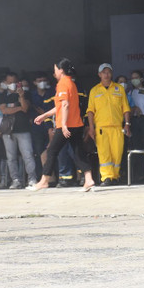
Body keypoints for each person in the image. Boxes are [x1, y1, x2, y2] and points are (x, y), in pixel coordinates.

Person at [29, 59, 96, 191]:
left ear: (61, 70)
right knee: (78, 152)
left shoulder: (63, 84)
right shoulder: (71, 83)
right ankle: (89, 179)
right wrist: (44, 116)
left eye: (55, 69)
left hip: (66, 125)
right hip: (76, 124)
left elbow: (65, 105)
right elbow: (60, 106)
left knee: (52, 151)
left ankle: (44, 180)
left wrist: (64, 125)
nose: (54, 72)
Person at [86, 63, 131, 186]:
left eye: (109, 72)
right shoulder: (94, 90)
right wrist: (91, 128)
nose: (107, 74)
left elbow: (125, 108)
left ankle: (115, 176)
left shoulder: (119, 89)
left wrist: (127, 123)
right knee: (104, 153)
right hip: (101, 128)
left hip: (117, 127)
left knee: (117, 153)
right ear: (99, 74)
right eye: (104, 72)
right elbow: (90, 111)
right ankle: (106, 177)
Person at [0, 72, 38, 189]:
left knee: (28, 155)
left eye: (14, 82)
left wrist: (21, 97)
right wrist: (19, 108)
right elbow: (4, 110)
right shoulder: (2, 95)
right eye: (9, 82)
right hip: (8, 131)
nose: (12, 85)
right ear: (5, 83)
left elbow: (25, 109)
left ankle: (32, 179)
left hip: (23, 129)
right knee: (11, 157)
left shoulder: (26, 94)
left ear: (18, 82)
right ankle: (15, 180)